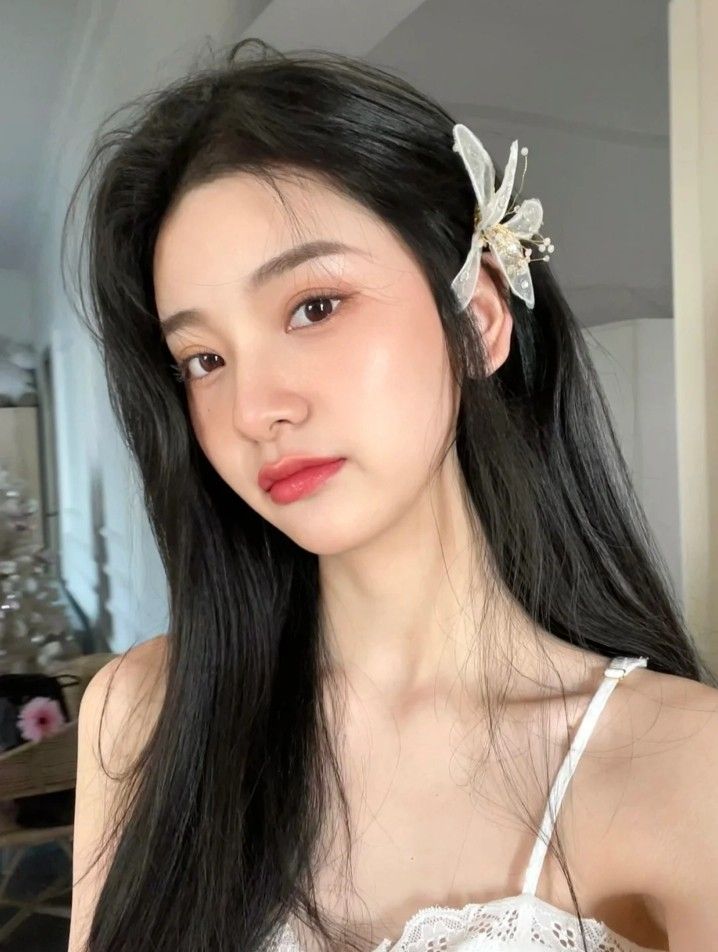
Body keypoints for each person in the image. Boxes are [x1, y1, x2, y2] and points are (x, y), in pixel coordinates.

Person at [63, 38, 718, 952]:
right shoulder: (141, 714)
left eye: (314, 307)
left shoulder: (683, 768)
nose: (255, 410)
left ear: (476, 320)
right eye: (204, 360)